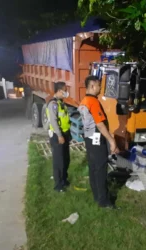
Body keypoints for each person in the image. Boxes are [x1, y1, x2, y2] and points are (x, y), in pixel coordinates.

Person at [78, 75, 120, 209]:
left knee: (93, 168)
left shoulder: (84, 101)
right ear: (92, 86)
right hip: (97, 138)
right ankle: (104, 201)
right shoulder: (93, 102)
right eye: (98, 86)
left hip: (89, 139)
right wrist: (111, 140)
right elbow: (100, 124)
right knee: (101, 169)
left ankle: (97, 195)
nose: (100, 89)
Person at [47, 81, 71, 192]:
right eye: (65, 90)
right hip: (58, 136)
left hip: (65, 134)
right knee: (59, 161)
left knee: (66, 159)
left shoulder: (61, 102)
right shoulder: (53, 104)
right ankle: (58, 185)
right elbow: (53, 121)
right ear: (59, 91)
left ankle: (64, 180)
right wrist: (60, 135)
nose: (66, 92)